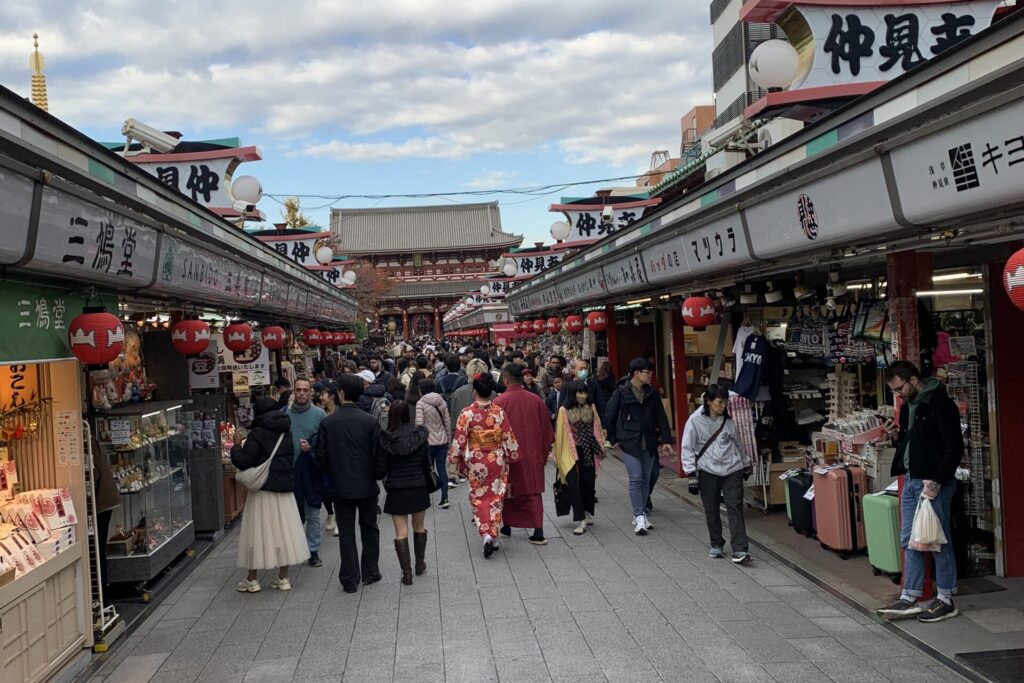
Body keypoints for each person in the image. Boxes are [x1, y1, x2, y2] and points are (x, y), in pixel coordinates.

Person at [877, 361, 964, 623]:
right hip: (912, 478)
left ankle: (946, 598)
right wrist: (895, 436)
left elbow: (954, 447)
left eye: (900, 388)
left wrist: (937, 480)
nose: (899, 394)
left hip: (933, 481)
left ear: (914, 380)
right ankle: (910, 595)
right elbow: (911, 440)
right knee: (910, 538)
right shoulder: (907, 407)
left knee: (937, 539)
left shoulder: (940, 404)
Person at [232, 397, 309, 592]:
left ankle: (252, 579)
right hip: (284, 490)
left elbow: (243, 461)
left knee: (256, 533)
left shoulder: (257, 433)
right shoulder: (286, 430)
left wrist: (236, 445)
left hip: (262, 491)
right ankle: (283, 578)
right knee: (284, 533)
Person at [316, 374, 382, 593]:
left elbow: (321, 457)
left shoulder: (328, 423)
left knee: (346, 531)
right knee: (369, 528)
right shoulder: (370, 421)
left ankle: (349, 577)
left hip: (340, 484)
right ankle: (370, 570)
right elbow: (378, 455)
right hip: (366, 483)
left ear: (341, 393)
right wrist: (376, 475)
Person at [448, 373, 519, 557]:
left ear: (474, 392)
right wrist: (513, 454)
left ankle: (487, 534)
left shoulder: (467, 413)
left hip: (476, 461)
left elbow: (459, 439)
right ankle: (494, 535)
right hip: (497, 459)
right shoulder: (498, 412)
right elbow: (508, 436)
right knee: (496, 496)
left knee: (478, 497)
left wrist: (453, 461)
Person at [681, 385, 752, 564]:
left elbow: (738, 443)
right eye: (720, 402)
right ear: (708, 401)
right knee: (711, 507)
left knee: (734, 506)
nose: (723, 406)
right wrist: (691, 474)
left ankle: (740, 548)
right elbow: (687, 447)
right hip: (707, 469)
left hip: (732, 467)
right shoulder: (695, 421)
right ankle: (716, 542)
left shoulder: (728, 421)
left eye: (725, 403)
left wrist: (745, 463)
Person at [605, 357, 674, 535]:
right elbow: (610, 415)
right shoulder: (621, 392)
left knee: (646, 477)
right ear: (636, 373)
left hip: (649, 440)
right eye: (647, 372)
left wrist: (666, 439)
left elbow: (661, 416)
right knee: (635, 477)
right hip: (629, 440)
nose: (650, 375)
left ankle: (641, 512)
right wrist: (613, 439)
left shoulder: (652, 393)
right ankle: (639, 514)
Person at [494, 363, 554, 545]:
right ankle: (538, 530)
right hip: (532, 453)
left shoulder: (499, 403)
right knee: (532, 492)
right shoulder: (535, 400)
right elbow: (547, 431)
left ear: (505, 380)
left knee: (507, 491)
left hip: (508, 456)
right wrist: (544, 452)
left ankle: (507, 526)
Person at [376, 401, 432, 585]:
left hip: (396, 489)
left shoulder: (387, 440)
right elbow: (426, 464)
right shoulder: (419, 437)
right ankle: (419, 562)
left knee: (401, 532)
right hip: (418, 486)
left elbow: (381, 470)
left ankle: (406, 573)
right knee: (419, 526)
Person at [552, 381, 604, 535]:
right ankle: (580, 519)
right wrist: (558, 456)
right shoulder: (564, 410)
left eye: (585, 392)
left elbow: (597, 427)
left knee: (588, 483)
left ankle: (587, 511)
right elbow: (560, 433)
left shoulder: (591, 408)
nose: (583, 395)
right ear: (573, 394)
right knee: (573, 484)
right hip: (570, 451)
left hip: (588, 449)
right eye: (580, 393)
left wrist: (601, 445)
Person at [287, 377, 329, 567]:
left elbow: (326, 445)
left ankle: (313, 550)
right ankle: (295, 549)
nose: (302, 393)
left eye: (305, 390)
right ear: (293, 392)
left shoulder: (320, 415)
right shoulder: (284, 414)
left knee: (313, 513)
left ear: (311, 392)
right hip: (290, 470)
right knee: (292, 514)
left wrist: (311, 447)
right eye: (298, 390)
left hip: (312, 471)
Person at [415, 379, 452, 508]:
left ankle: (426, 497)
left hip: (427, 442)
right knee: (442, 469)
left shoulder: (421, 403)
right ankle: (445, 497)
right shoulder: (441, 401)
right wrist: (448, 439)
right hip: (442, 440)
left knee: (427, 470)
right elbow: (447, 421)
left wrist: (418, 442)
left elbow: (419, 425)